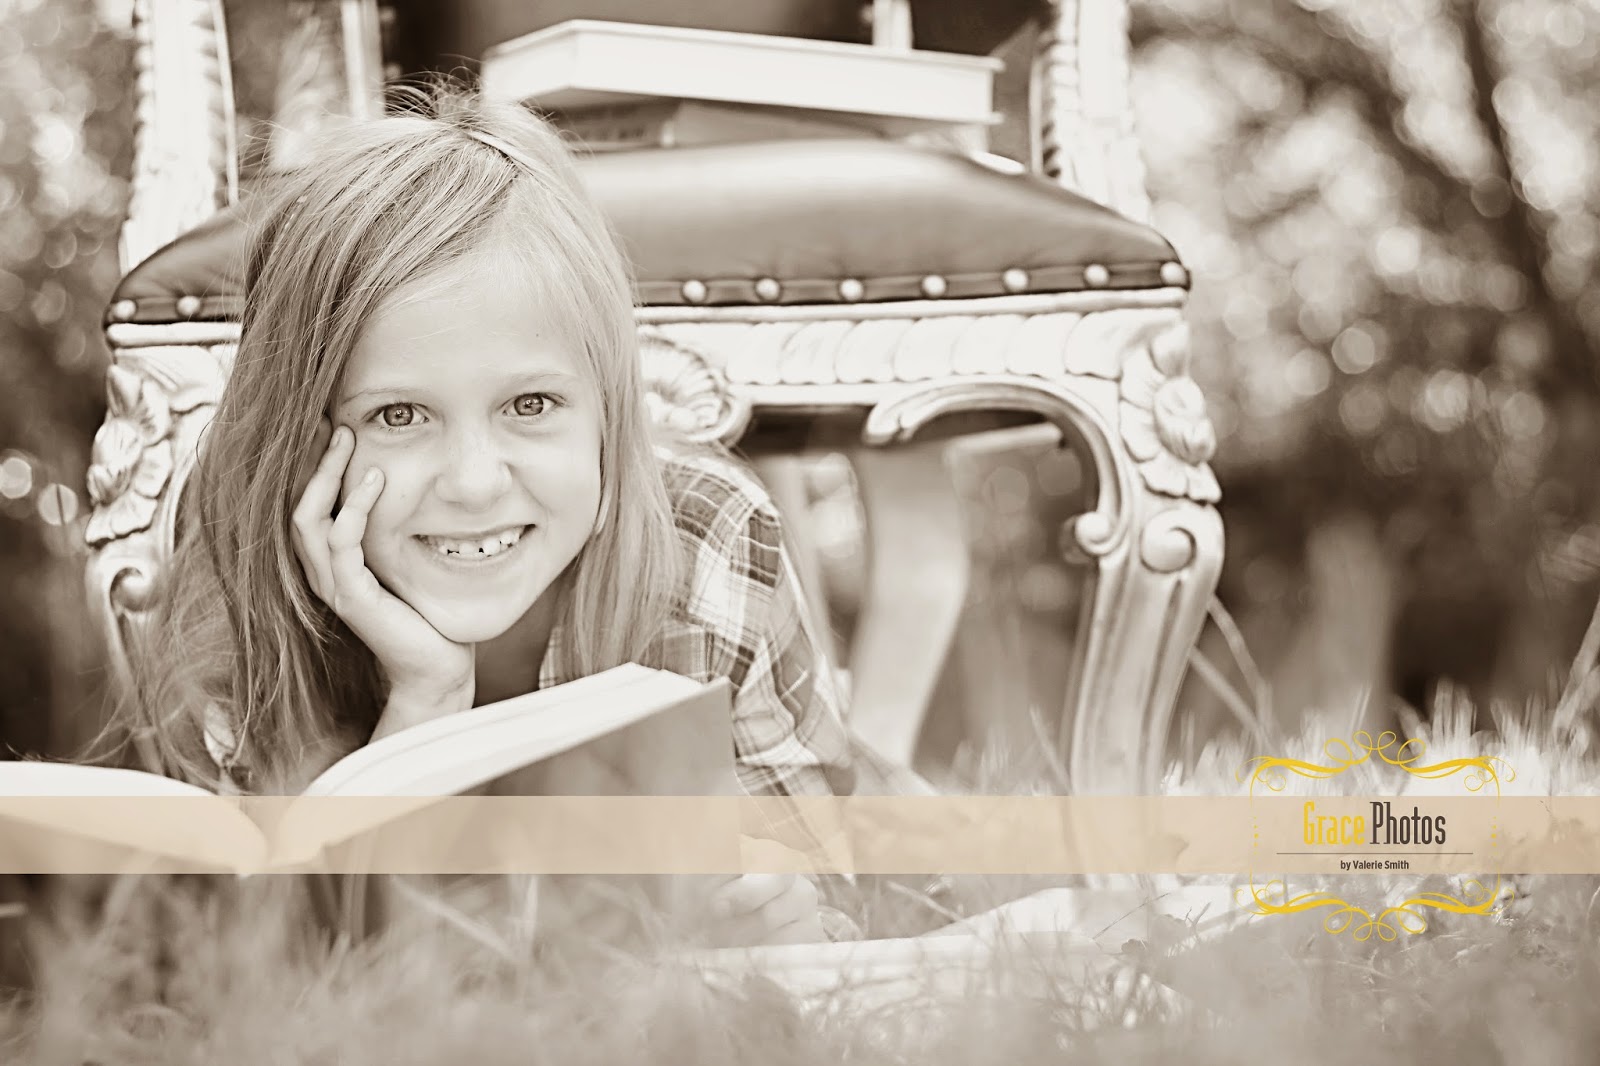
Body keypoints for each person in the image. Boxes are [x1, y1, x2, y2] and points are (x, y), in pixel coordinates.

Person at [120, 84, 861, 946]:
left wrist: (783, 920)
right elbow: (309, 980)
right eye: (399, 415)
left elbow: (831, 911)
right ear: (303, 439)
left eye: (530, 404)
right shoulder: (253, 615)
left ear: (608, 415)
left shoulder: (708, 541)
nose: (474, 484)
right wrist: (425, 702)